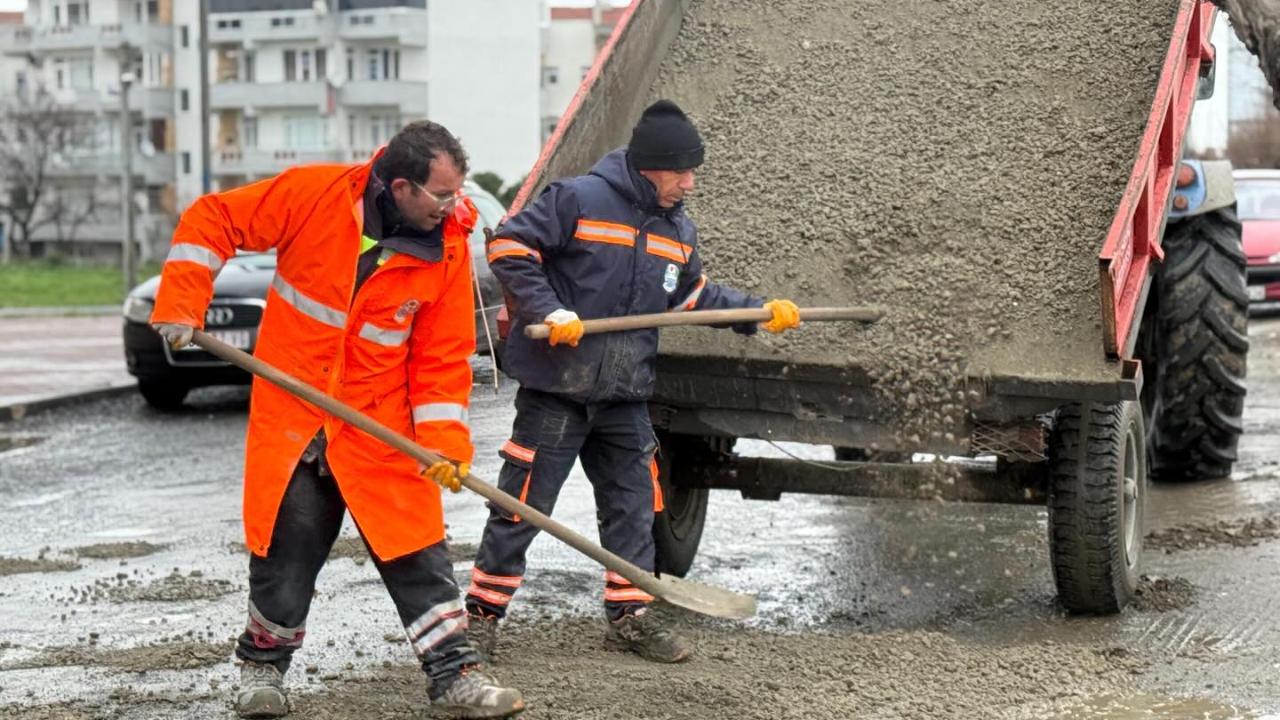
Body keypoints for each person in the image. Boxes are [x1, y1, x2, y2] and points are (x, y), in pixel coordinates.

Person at [149, 121, 524, 719]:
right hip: (298, 415)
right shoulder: (315, 196)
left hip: (380, 425)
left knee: (417, 550)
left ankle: (456, 676)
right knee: (287, 552)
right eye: (442, 194)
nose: (454, 206)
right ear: (401, 187)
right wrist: (181, 300)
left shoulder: (448, 245)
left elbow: (440, 356)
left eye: (458, 192)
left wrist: (443, 442)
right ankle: (262, 670)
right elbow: (212, 218)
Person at [468, 100, 801, 663]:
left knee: (634, 506)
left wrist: (757, 313)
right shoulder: (578, 200)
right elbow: (508, 246)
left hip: (624, 395)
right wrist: (549, 310)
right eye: (682, 172)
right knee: (521, 506)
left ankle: (629, 618)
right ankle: (481, 620)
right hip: (558, 391)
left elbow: (691, 298)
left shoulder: (678, 230)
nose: (689, 184)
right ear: (651, 166)